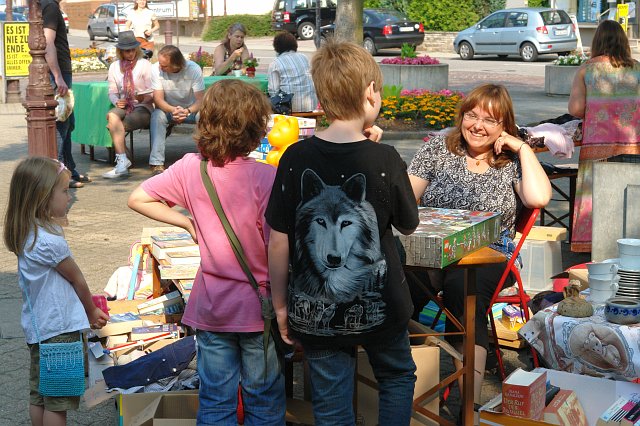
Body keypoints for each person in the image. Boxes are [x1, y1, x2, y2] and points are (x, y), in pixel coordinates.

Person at [266, 40, 419, 425]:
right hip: (382, 307)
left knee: (331, 402)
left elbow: (278, 239)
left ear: (320, 96)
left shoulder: (294, 157)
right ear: (370, 92)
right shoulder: (384, 158)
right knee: (396, 376)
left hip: (313, 312)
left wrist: (281, 306)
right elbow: (408, 222)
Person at [128, 79, 285, 425]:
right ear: (255, 127)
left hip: (212, 306)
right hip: (257, 309)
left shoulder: (191, 167)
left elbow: (137, 198)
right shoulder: (266, 177)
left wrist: (186, 222)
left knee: (215, 400)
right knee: (263, 401)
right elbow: (276, 247)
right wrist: (282, 304)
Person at [407, 83, 551, 412]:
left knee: (464, 294)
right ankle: (403, 387)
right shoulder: (439, 149)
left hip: (490, 253)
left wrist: (522, 148)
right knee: (397, 284)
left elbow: (539, 197)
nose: (478, 126)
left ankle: (467, 409)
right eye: (472, 116)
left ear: (505, 126)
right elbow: (405, 199)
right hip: (433, 249)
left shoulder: (510, 160)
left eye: (490, 120)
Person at [3, 157, 109, 426]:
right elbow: (77, 279)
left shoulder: (27, 234)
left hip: (40, 330)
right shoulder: (49, 243)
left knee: (40, 396)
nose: (69, 196)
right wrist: (91, 310)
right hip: (61, 331)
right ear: (42, 198)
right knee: (58, 402)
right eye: (63, 191)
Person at [568, 20, 640, 253]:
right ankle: (630, 245)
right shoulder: (638, 69)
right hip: (632, 146)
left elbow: (575, 109)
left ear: (597, 41)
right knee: (630, 196)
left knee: (594, 195)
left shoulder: (586, 70)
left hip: (596, 146)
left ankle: (591, 247)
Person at [42, 0, 91, 188]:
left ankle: (70, 169)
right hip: (59, 72)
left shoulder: (48, 5)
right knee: (61, 124)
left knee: (68, 122)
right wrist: (57, 76)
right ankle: (61, 174)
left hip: (61, 71)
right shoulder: (50, 6)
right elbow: (48, 42)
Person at [103, 31, 154, 179]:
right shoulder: (114, 66)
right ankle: (123, 159)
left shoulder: (144, 64)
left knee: (113, 124)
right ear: (121, 51)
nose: (131, 53)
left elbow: (153, 91)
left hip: (143, 106)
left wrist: (141, 96)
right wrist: (116, 101)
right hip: (124, 105)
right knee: (112, 115)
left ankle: (122, 162)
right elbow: (112, 91)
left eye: (133, 50)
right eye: (127, 51)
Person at [149, 45, 204, 175]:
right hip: (168, 109)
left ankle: (205, 156)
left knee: (203, 116)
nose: (160, 67)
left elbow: (201, 100)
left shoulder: (194, 69)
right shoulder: (155, 69)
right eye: (160, 63)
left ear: (176, 64)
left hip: (191, 109)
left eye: (164, 66)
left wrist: (187, 111)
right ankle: (156, 162)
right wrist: (173, 110)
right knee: (157, 116)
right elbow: (158, 99)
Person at [268, 31, 317, 113]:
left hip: (288, 107)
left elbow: (273, 90)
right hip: (311, 104)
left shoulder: (275, 63)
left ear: (276, 47)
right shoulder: (304, 57)